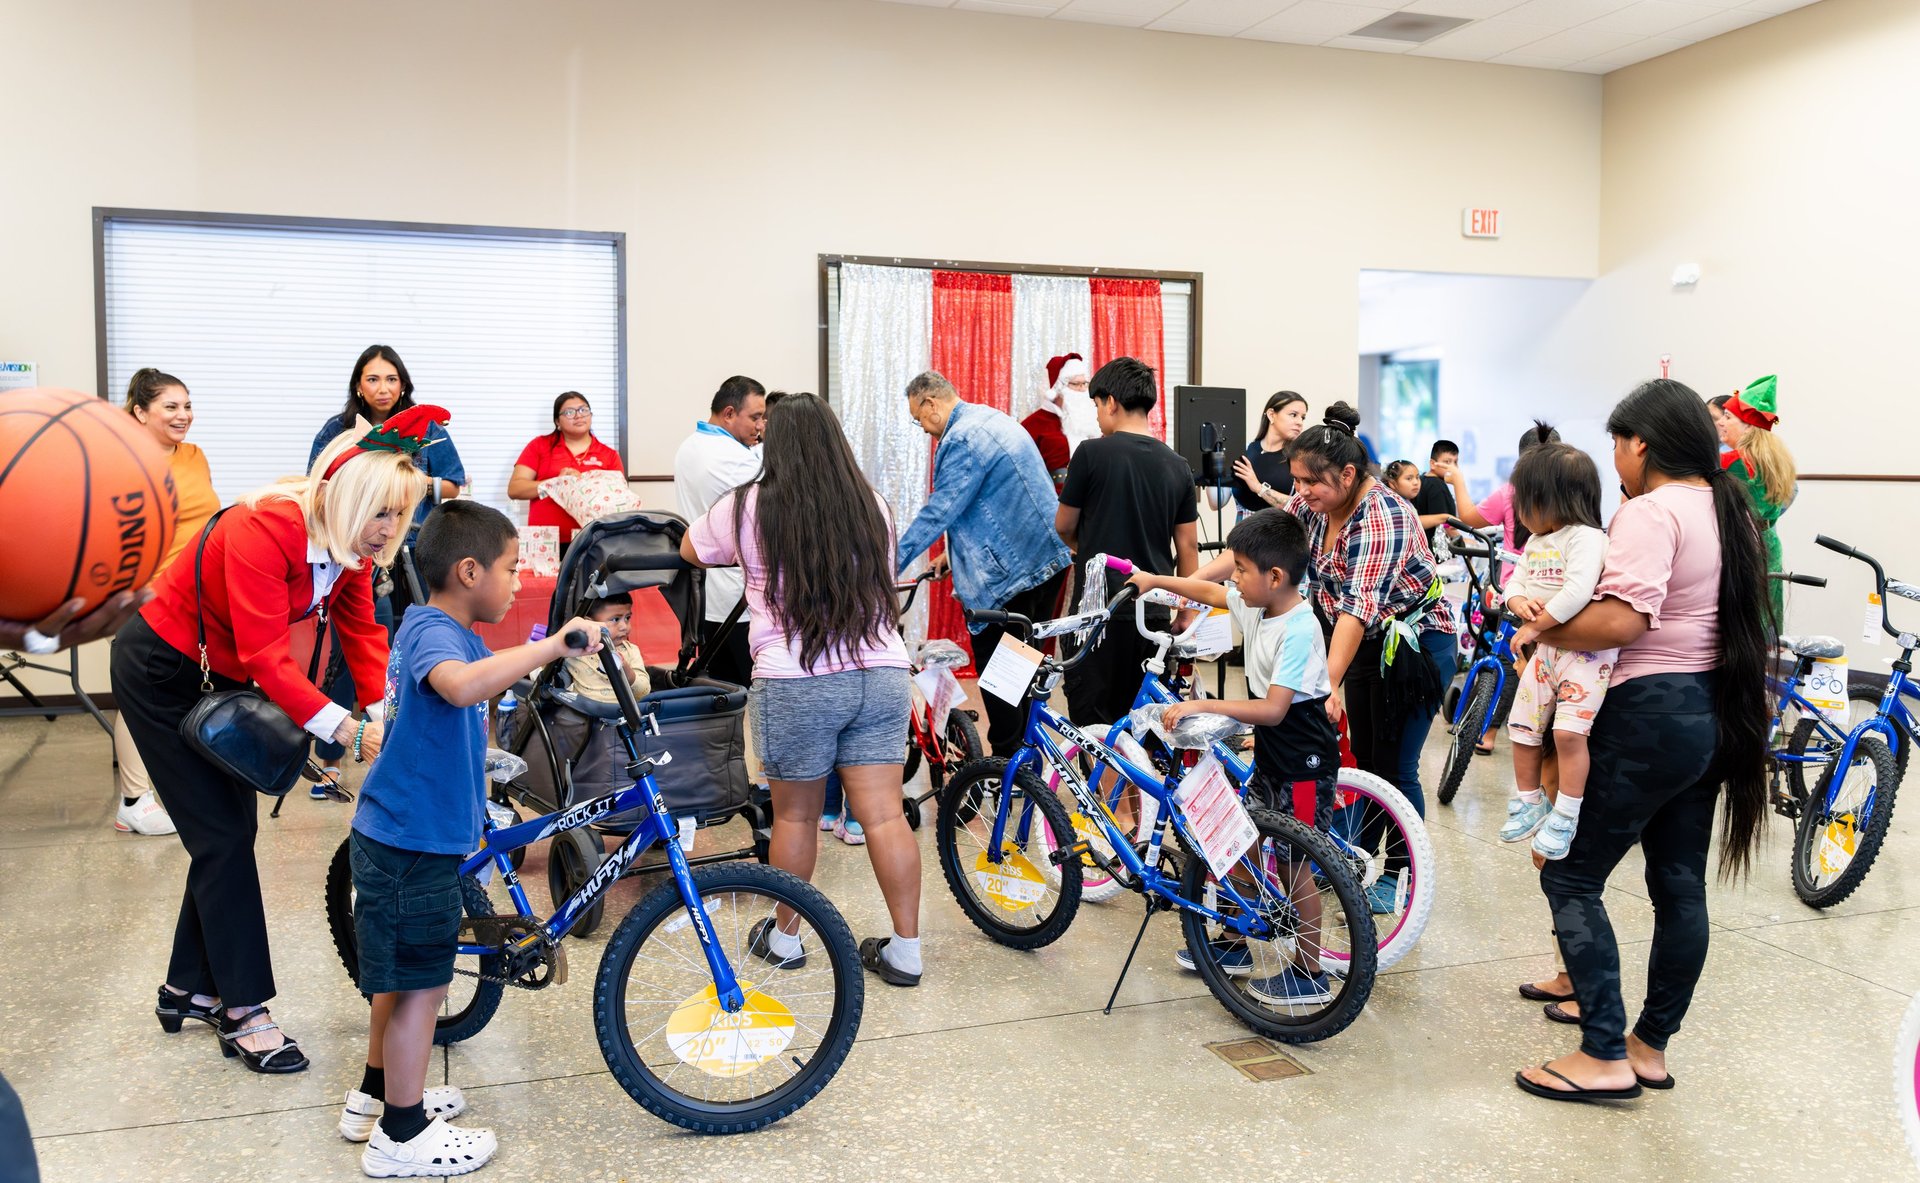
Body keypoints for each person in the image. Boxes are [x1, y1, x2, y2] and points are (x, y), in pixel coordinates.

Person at [114, 408, 440, 1074]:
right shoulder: (263, 527)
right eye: (381, 513)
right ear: (347, 498)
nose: (389, 530)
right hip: (163, 671)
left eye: (398, 515)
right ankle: (243, 1010)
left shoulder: (350, 545)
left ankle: (188, 987)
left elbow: (362, 633)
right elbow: (267, 656)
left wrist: (390, 713)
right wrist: (349, 730)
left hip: (222, 679)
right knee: (222, 838)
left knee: (228, 834)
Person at [1512, 378, 1771, 1103]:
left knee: (1569, 875)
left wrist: (1537, 630)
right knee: (1679, 887)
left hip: (1647, 713)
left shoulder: (1651, 512)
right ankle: (1648, 1047)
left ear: (1642, 444)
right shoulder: (1728, 508)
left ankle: (1602, 1052)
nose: (1616, 459)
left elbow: (1623, 621)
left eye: (1618, 444)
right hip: (1710, 711)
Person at [345, 499, 601, 1175]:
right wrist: (553, 644)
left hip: (410, 833)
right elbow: (459, 689)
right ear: (468, 571)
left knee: (404, 982)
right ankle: (401, 1136)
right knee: (421, 988)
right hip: (411, 843)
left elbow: (478, 690)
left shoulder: (438, 626)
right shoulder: (435, 633)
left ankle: (377, 1097)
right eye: (511, 569)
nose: (516, 582)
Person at [681, 393, 924, 987]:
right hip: (881, 672)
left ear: (775, 444)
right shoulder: (875, 505)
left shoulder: (747, 504)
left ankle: (786, 940)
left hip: (797, 678)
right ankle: (906, 951)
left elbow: (691, 549)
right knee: (885, 816)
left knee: (795, 816)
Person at [1226, 403, 1455, 914]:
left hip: (1416, 648)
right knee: (1364, 761)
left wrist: (1327, 686)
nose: (1301, 491)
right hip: (1365, 644)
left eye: (1311, 482)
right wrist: (1195, 581)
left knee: (1396, 767)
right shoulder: (1312, 505)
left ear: (1348, 475)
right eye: (1297, 480)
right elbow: (1259, 547)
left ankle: (1398, 875)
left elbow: (1356, 609)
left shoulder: (1383, 515)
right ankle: (1353, 863)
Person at [1128, 510, 1340, 1005]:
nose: (1234, 578)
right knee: (1240, 842)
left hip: (1303, 761)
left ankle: (1309, 972)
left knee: (1295, 867)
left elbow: (1273, 709)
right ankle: (1233, 942)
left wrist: (1203, 705)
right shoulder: (1258, 606)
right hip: (1272, 754)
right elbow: (1209, 592)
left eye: (1241, 569)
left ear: (1275, 577)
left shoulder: (1300, 627)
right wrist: (1155, 581)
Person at [307, 346, 466, 797]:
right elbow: (318, 484)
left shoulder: (426, 428)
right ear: (359, 385)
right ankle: (330, 762)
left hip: (415, 552)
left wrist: (407, 484)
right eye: (373, 379)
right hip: (355, 549)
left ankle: (408, 751)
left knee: (416, 649)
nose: (383, 388)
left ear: (403, 384)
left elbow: (454, 483)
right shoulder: (336, 430)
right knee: (347, 653)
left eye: (391, 379)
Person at [896, 370, 1072, 757]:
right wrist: (952, 555)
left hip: (1014, 577)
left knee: (1000, 679)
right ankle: (1025, 759)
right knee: (1022, 670)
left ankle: (1006, 768)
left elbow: (939, 511)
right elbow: (993, 501)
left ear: (930, 404)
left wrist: (886, 566)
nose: (924, 429)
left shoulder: (961, 438)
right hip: (1043, 563)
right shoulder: (992, 418)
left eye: (919, 419)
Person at [1056, 357, 1200, 728]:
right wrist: (1186, 610)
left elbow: (1064, 525)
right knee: (1140, 721)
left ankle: (1102, 771)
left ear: (1111, 402)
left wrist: (1087, 546)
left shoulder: (1090, 454)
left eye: (1096, 405)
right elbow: (1188, 547)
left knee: (1094, 724)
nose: (1097, 416)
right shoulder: (1178, 465)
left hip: (1097, 614)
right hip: (1152, 612)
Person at [110, 368, 220, 837]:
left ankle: (180, 787)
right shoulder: (120, 462)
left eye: (187, 406)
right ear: (140, 412)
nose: (183, 415)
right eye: (170, 407)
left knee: (182, 686)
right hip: (146, 593)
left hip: (196, 591)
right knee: (141, 691)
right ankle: (133, 801)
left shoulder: (194, 456)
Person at [1492, 443, 1614, 863]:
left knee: (1568, 733)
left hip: (1584, 655)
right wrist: (1516, 601)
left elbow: (1578, 592)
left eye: (1525, 500)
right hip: (1546, 651)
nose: (1520, 511)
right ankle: (1531, 802)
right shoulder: (1537, 542)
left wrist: (1535, 626)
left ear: (1554, 499)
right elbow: (1515, 580)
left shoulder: (1588, 538)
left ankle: (1566, 814)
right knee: (1522, 727)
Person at [670, 376, 765, 687]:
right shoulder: (734, 458)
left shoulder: (689, 446)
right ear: (729, 413)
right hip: (739, 597)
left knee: (722, 692)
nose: (760, 426)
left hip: (708, 596)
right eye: (755, 417)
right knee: (752, 689)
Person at [546, 592, 651, 801]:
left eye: (627, 617)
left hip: (626, 718)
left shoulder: (631, 651)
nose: (624, 626)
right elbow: (553, 680)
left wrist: (625, 669)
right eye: (615, 619)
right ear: (589, 624)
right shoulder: (576, 653)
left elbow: (643, 689)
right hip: (589, 723)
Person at [1710, 375, 1795, 625]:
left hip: (1741, 546)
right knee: (1765, 615)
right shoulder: (1778, 459)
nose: (1721, 423)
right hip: (1769, 543)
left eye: (1728, 417)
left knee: (1741, 620)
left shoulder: (1729, 462)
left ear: (1748, 426)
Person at [509, 391, 625, 547]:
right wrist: (556, 483)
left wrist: (583, 484)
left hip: (593, 540)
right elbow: (515, 489)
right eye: (569, 412)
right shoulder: (539, 446)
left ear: (591, 415)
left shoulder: (609, 455)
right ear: (557, 421)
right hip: (545, 543)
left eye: (583, 410)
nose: (578, 416)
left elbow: (619, 500)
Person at [1230, 391, 1309, 515]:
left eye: (1302, 417)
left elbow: (1304, 508)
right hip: (1243, 527)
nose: (1300, 422)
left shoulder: (1300, 458)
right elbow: (1215, 503)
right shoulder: (1244, 451)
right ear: (1271, 415)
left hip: (1282, 527)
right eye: (1293, 415)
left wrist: (1259, 488)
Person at [1021, 353, 1085, 492]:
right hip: (1051, 498)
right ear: (1058, 389)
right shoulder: (1034, 424)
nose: (1082, 389)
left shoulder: (1093, 423)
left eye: (1084, 383)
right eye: (1076, 384)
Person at [1408, 440, 1461, 531]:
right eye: (1447, 462)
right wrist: (1460, 538)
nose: (1453, 467)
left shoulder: (1423, 480)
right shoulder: (1437, 485)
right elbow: (1445, 525)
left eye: (1455, 462)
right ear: (1432, 464)